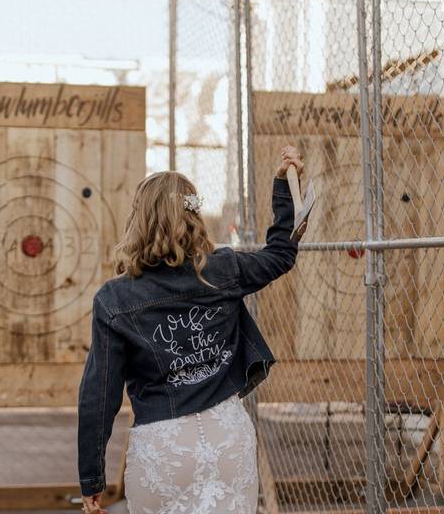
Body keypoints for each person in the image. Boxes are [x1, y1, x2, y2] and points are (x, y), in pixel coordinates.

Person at [78, 146, 304, 514]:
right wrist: (283, 185)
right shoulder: (223, 269)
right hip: (228, 437)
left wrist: (91, 478)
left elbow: (98, 396)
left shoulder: (114, 298)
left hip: (163, 449)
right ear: (194, 216)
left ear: (139, 220)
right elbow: (281, 254)